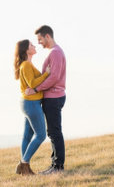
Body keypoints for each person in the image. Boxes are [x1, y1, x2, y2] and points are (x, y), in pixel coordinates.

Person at [25, 25, 66, 174]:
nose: (39, 42)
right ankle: (55, 165)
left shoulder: (55, 52)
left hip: (54, 97)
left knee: (54, 132)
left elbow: (54, 77)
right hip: (53, 97)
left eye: (40, 39)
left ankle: (58, 167)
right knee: (53, 132)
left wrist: (36, 89)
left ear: (47, 36)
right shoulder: (55, 52)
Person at [14, 39, 50, 175]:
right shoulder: (26, 65)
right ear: (26, 50)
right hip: (31, 104)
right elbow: (32, 83)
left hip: (27, 103)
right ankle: (24, 164)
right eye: (31, 45)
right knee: (41, 135)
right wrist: (46, 74)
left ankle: (25, 169)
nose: (35, 46)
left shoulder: (26, 64)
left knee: (27, 136)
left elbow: (32, 83)